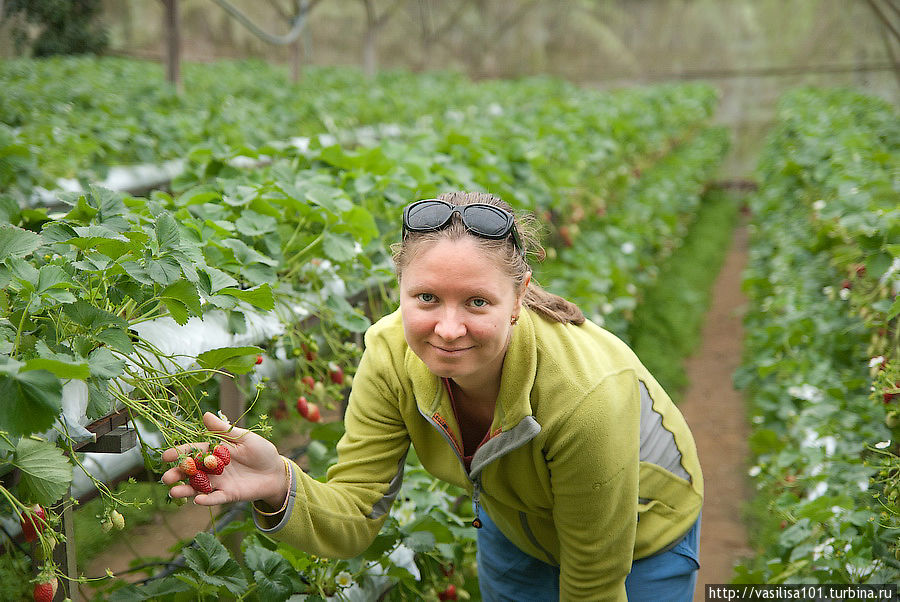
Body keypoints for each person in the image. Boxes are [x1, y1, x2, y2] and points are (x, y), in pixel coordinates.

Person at [162, 191, 703, 601]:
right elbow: (355, 513)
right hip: (514, 522)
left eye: (476, 302)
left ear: (518, 297)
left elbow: (594, 584)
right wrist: (278, 484)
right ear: (399, 288)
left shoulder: (582, 395)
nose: (447, 328)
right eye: (426, 297)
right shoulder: (389, 354)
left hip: (640, 532)